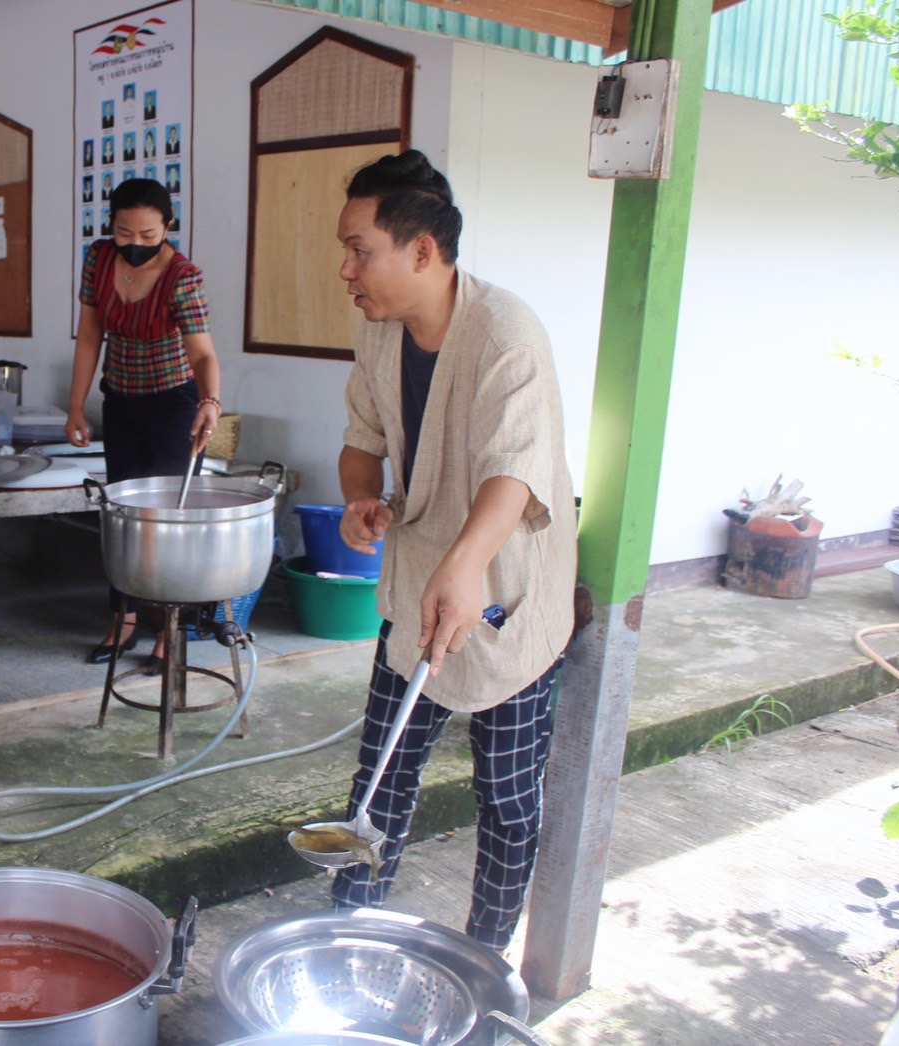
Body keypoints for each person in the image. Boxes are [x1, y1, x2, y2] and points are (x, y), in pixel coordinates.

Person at [330, 149, 577, 952]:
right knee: (379, 779)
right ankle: (344, 939)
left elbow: (517, 468)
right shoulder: (379, 334)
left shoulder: (506, 332)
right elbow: (361, 440)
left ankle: (484, 959)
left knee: (505, 799)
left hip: (500, 590)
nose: (345, 270)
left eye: (359, 250)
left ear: (421, 252)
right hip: (415, 582)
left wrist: (466, 565)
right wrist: (359, 499)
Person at [66, 178, 221, 672]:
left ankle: (170, 634)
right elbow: (90, 334)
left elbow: (203, 354)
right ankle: (123, 619)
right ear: (110, 226)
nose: (134, 245)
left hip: (175, 404)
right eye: (124, 233)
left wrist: (210, 401)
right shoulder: (98, 258)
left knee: (171, 522)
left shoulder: (183, 276)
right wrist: (76, 406)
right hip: (122, 402)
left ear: (168, 227)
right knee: (123, 518)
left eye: (148, 236)